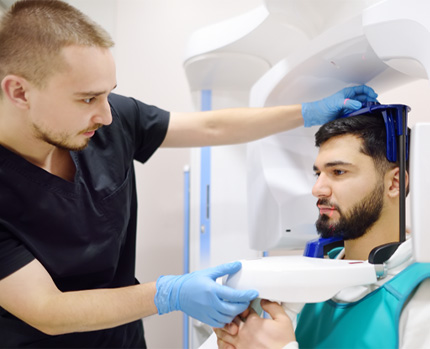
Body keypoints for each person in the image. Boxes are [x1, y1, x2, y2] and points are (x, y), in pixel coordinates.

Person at [0, 1, 379, 347]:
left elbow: (212, 127)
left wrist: (307, 112)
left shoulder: (106, 122)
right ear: (18, 92)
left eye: (107, 94)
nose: (107, 115)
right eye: (87, 99)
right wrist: (169, 293)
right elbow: (46, 310)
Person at [215, 114, 430, 348]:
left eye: (338, 172)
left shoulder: (421, 294)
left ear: (394, 183)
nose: (317, 189)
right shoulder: (307, 281)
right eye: (318, 174)